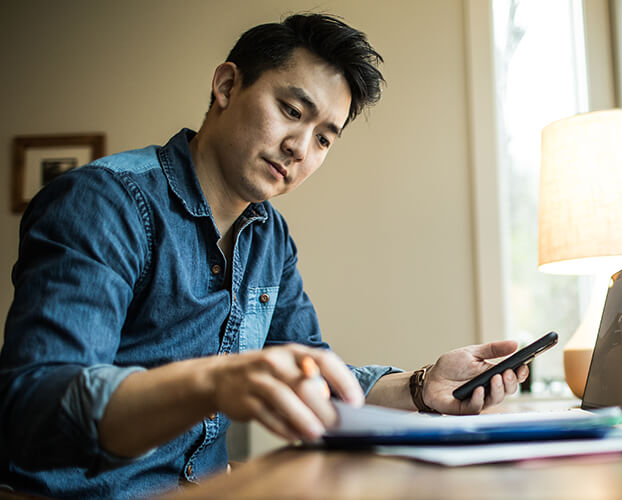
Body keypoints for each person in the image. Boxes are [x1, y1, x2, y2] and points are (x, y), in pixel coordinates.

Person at [0, 13, 528, 500]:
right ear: (227, 86)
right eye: (292, 111)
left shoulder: (268, 235)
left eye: (324, 138)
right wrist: (212, 382)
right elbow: (35, 409)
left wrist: (422, 386)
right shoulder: (104, 203)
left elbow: (313, 375)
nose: (301, 147)